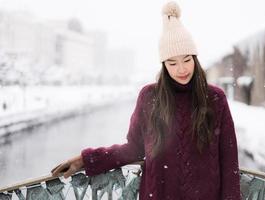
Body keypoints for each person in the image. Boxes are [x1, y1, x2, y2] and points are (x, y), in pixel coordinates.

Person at [51, 1, 241, 199]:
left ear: (195, 59)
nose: (182, 69)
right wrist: (85, 159)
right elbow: (133, 149)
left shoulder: (215, 99)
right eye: (172, 62)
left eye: (187, 60)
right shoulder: (149, 97)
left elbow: (229, 161)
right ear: (163, 64)